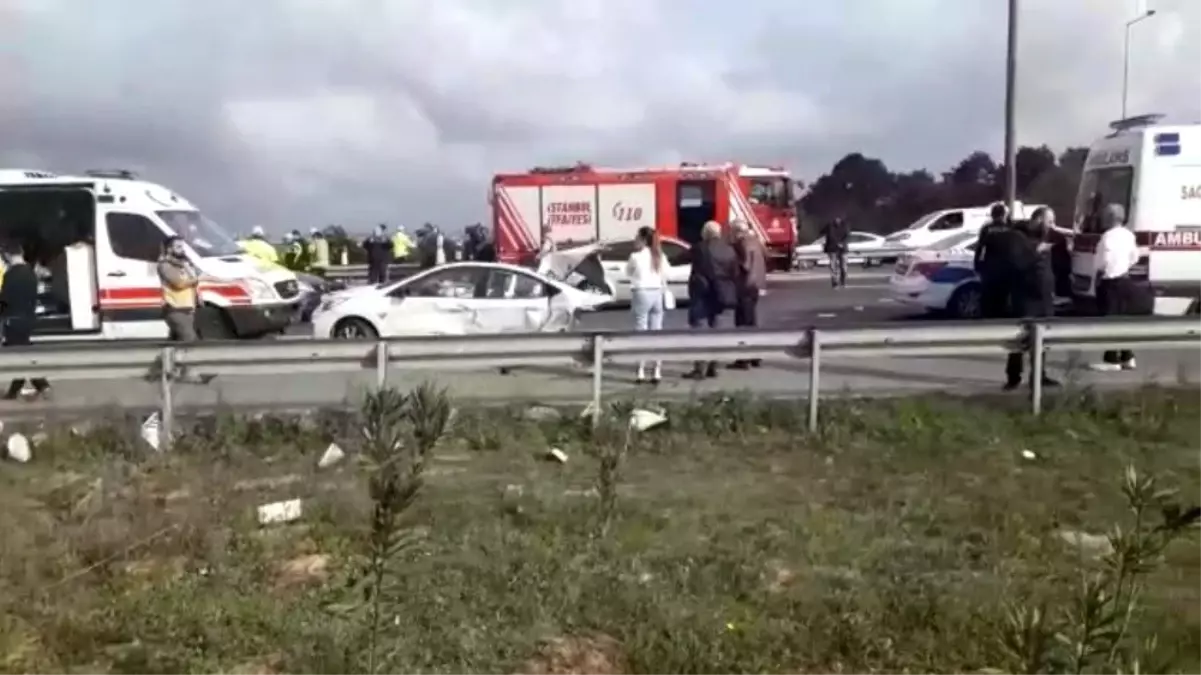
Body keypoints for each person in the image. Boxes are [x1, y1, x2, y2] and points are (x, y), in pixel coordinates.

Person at [1004, 207, 1061, 390]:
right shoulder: (1017, 237)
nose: (1052, 226)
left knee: (1042, 340)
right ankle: (1013, 377)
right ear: (1037, 219)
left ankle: (1039, 375)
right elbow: (1017, 263)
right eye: (1049, 221)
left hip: (1043, 296)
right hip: (1025, 296)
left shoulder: (1044, 237)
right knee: (1020, 339)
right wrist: (1036, 251)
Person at [684, 221, 739, 380]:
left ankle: (699, 369)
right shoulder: (729, 249)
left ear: (705, 233)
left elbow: (681, 257)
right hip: (720, 294)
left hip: (702, 293)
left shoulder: (700, 248)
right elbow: (734, 272)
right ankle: (714, 366)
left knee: (699, 330)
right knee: (717, 329)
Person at [1090, 204, 1141, 372]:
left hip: (1110, 282)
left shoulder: (1107, 237)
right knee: (1123, 321)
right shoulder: (1129, 235)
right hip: (1125, 279)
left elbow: (1103, 260)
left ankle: (1112, 359)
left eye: (1105, 215)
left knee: (1109, 320)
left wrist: (1098, 272)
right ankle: (1128, 356)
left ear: (1111, 217)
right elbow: (1135, 257)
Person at [0, 244, 51, 401]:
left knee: (18, 357)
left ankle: (40, 386)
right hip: (28, 318)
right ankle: (37, 386)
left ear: (8, 256)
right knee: (22, 354)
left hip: (13, 320)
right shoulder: (31, 274)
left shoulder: (10, 275)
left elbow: (4, 300)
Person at [626, 226, 667, 385]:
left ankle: (641, 371)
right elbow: (666, 274)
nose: (635, 240)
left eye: (637, 237)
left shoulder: (635, 256)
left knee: (640, 332)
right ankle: (657, 370)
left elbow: (628, 273)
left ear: (643, 239)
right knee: (657, 332)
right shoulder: (659, 255)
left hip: (641, 292)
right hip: (657, 293)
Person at [729, 219, 767, 369]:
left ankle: (743, 359)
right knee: (752, 321)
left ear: (738, 232)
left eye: (732, 231)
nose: (730, 234)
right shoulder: (756, 241)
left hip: (744, 286)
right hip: (756, 285)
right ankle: (755, 356)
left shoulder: (742, 244)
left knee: (742, 323)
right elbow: (767, 256)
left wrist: (733, 263)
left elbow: (745, 265)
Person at [973, 203, 1015, 319]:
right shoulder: (1010, 228)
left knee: (989, 298)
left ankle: (988, 316)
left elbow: (979, 249)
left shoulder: (987, 229)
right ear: (1004, 215)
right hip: (1006, 268)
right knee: (1004, 298)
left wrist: (977, 266)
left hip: (990, 268)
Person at [821, 216, 850, 289]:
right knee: (833, 267)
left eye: (839, 218)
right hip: (832, 248)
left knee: (843, 267)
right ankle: (835, 283)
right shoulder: (830, 225)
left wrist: (841, 243)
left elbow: (847, 235)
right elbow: (824, 233)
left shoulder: (845, 225)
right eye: (836, 218)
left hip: (843, 249)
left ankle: (843, 281)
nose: (837, 220)